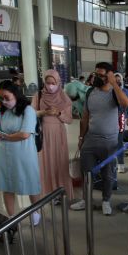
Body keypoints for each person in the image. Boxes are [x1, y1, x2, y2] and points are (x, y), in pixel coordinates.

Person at [71, 62, 128, 214]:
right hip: (90, 139)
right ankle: (86, 199)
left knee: (108, 174)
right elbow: (85, 117)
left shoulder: (115, 93)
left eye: (101, 75)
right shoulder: (91, 92)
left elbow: (126, 103)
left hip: (109, 141)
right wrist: (80, 137)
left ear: (109, 76)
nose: (97, 77)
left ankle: (106, 201)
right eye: (96, 74)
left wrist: (114, 83)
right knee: (86, 172)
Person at [0, 81, 42, 223]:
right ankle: (11, 217)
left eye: (7, 97)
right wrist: (5, 135)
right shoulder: (1, 111)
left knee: (30, 182)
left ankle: (36, 211)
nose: (4, 101)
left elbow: (25, 134)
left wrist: (5, 136)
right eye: (1, 98)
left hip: (23, 153)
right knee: (6, 184)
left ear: (16, 94)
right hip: (4, 153)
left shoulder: (28, 111)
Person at [35, 70, 74, 200]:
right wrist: (44, 112)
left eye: (54, 83)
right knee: (44, 163)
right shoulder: (39, 96)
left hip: (59, 134)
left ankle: (61, 191)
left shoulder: (64, 98)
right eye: (48, 83)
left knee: (59, 162)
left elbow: (69, 120)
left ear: (58, 83)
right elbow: (31, 113)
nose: (51, 85)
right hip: (43, 133)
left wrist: (59, 113)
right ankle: (47, 192)